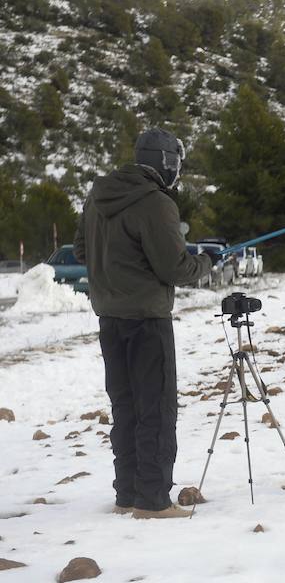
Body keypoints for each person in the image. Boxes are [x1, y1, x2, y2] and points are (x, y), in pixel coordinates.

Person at [73, 128, 212, 519]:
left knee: (126, 407)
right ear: (167, 163)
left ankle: (128, 495)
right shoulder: (156, 202)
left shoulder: (98, 196)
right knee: (156, 409)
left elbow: (82, 249)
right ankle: (152, 502)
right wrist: (207, 262)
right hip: (148, 321)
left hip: (110, 319)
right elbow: (175, 268)